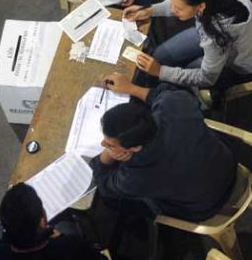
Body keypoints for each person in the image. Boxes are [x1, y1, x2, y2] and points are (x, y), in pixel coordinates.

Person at [90, 78, 238, 221]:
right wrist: (132, 89)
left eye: (109, 144)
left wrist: (107, 155)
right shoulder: (175, 103)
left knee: (112, 201)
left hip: (206, 204)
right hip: (226, 163)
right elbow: (162, 92)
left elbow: (103, 182)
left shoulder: (135, 177)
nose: (103, 144)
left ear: (135, 147)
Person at [123, 0, 252, 90]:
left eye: (178, 9)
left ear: (201, 7)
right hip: (223, 34)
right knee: (160, 55)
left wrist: (160, 71)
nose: (172, 10)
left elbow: (206, 78)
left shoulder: (216, 36)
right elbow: (180, 4)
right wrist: (149, 11)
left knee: (186, 71)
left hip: (242, 61)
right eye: (171, 1)